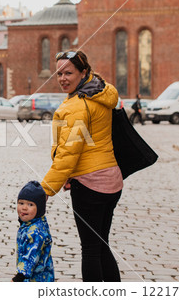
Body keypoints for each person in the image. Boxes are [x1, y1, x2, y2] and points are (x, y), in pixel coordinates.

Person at [41, 50, 123, 282]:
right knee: (101, 243)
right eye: (59, 74)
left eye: (68, 73)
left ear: (83, 72)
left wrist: (46, 189)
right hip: (112, 180)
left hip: (90, 185)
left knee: (90, 248)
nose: (63, 79)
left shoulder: (76, 106)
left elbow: (68, 153)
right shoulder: (100, 94)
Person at [12, 181, 54, 282]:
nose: (24, 207)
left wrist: (19, 277)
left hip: (38, 279)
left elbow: (31, 256)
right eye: (21, 203)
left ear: (39, 209)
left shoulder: (36, 232)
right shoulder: (30, 224)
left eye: (30, 205)